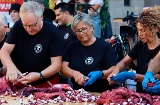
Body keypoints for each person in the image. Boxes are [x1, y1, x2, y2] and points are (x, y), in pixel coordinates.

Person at [0, 1, 63, 88]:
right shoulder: (18, 26)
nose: (28, 29)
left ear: (41, 17)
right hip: (21, 82)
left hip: (46, 83)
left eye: (32, 25)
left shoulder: (52, 32)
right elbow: (4, 50)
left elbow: (56, 65)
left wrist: (39, 75)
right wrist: (11, 67)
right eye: (25, 25)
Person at [107, 6, 160, 93]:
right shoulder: (140, 45)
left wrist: (133, 76)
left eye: (143, 30)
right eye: (138, 30)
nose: (140, 34)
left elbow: (157, 77)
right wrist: (115, 72)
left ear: (156, 28)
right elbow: (124, 62)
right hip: (140, 95)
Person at [61, 13, 117, 92]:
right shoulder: (72, 46)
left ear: (92, 27)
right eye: (77, 31)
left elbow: (114, 69)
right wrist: (74, 73)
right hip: (79, 93)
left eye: (84, 29)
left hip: (102, 92)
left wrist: (100, 74)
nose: (81, 33)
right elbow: (63, 67)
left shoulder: (104, 46)